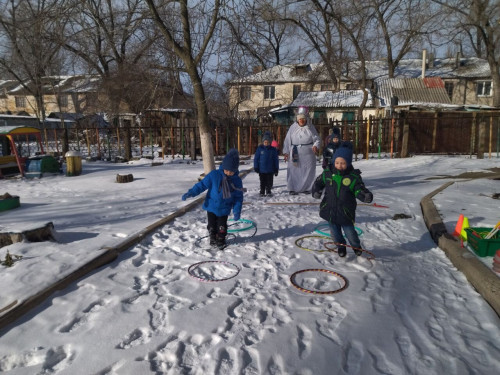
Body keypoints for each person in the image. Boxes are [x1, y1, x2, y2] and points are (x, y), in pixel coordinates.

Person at [312, 142, 373, 257]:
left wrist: (364, 195)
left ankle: (356, 246)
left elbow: (359, 189)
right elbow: (318, 183)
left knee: (350, 232)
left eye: (343, 163)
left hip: (345, 211)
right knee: (335, 233)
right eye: (337, 162)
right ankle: (341, 246)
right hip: (330, 210)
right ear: (333, 161)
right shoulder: (328, 173)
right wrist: (316, 191)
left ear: (348, 163)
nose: (339, 165)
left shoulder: (352, 177)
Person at [182, 148, 244, 249]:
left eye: (231, 172)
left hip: (224, 209)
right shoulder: (214, 175)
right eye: (227, 170)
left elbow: (238, 198)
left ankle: (221, 239)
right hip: (211, 206)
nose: (228, 173)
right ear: (223, 166)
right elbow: (201, 185)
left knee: (222, 227)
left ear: (235, 170)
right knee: (212, 226)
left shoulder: (236, 181)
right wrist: (191, 192)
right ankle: (212, 237)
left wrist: (237, 211)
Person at [282, 107, 321, 194]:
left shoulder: (311, 127)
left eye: (303, 118)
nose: (301, 120)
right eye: (300, 119)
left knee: (308, 170)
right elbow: (287, 140)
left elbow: (317, 139)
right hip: (295, 152)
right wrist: (286, 152)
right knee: (293, 170)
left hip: (308, 154)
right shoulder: (293, 127)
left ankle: (307, 188)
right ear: (297, 119)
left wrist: (315, 146)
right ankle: (292, 188)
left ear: (306, 118)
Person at [254, 131, 279, 197]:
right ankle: (262, 191)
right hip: (262, 170)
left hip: (270, 170)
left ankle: (268, 191)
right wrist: (256, 167)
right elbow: (256, 158)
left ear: (270, 142)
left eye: (268, 142)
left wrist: (276, 169)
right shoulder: (260, 149)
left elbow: (276, 160)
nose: (266, 143)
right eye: (265, 142)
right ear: (263, 142)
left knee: (269, 182)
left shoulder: (273, 150)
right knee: (262, 181)